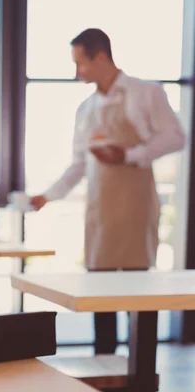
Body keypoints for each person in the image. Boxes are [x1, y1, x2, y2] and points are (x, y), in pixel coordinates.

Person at [29, 28, 186, 354]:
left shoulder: (146, 93)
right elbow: (79, 165)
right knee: (100, 293)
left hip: (136, 207)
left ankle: (141, 371)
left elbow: (176, 137)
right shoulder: (85, 110)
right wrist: (49, 195)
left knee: (139, 293)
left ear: (100, 56)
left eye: (80, 63)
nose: (77, 73)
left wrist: (129, 155)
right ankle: (105, 368)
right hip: (100, 212)